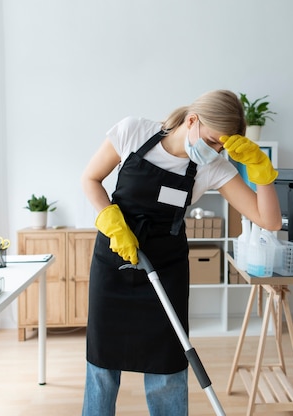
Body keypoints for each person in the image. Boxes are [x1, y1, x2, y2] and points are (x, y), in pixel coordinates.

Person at [80, 89, 282, 416]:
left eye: (223, 146)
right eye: (215, 140)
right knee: (102, 367)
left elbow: (269, 221)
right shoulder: (134, 131)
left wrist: (262, 170)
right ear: (192, 120)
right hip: (114, 261)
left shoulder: (211, 168)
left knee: (168, 369)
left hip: (165, 267)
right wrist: (110, 219)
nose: (216, 150)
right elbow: (90, 179)